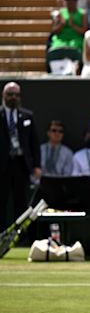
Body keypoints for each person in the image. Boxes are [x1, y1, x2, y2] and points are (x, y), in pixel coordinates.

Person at [0, 82, 41, 230]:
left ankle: (21, 236)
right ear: (3, 95)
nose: (13, 98)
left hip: (21, 164)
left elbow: (34, 143)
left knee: (21, 203)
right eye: (10, 94)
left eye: (16, 95)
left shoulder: (27, 115)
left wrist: (37, 166)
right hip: (2, 166)